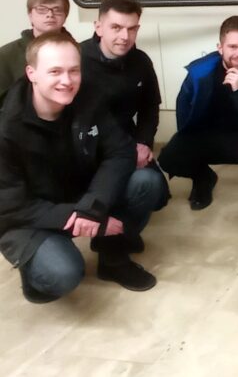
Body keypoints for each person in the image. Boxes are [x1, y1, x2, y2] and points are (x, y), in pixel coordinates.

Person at [0, 33, 167, 302]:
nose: (67, 80)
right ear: (32, 73)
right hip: (30, 215)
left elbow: (120, 151)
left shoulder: (87, 97)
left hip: (81, 194)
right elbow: (11, 207)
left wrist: (92, 208)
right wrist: (80, 218)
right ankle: (34, 272)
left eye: (74, 70)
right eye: (55, 71)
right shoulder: (6, 128)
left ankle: (112, 258)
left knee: (147, 182)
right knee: (63, 273)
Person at [158, 16, 238, 210]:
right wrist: (186, 144)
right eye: (233, 47)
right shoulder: (200, 74)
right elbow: (183, 111)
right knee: (169, 157)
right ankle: (203, 178)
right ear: (220, 48)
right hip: (208, 137)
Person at [79, 0, 168, 236]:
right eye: (116, 27)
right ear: (99, 27)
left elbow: (150, 106)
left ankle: (122, 235)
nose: (125, 36)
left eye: (132, 29)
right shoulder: (76, 60)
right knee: (108, 189)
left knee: (156, 193)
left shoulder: (141, 61)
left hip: (127, 141)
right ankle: (111, 237)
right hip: (88, 148)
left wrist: (143, 142)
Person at [0, 0, 70, 103]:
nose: (50, 14)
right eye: (41, 9)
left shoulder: (79, 51)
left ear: (65, 15)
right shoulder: (6, 55)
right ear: (30, 15)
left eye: (57, 10)